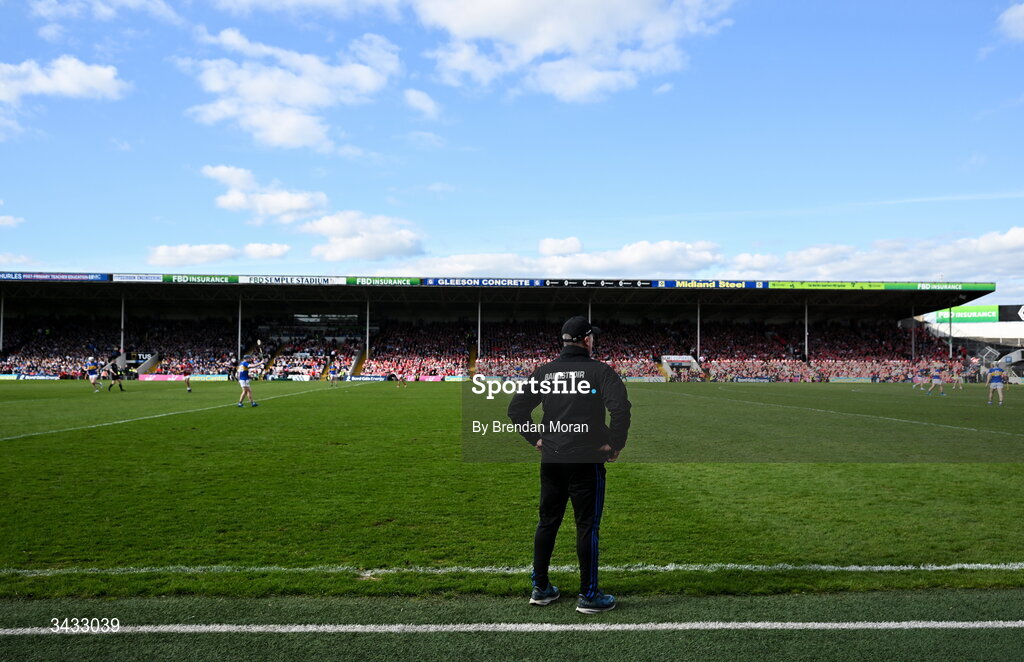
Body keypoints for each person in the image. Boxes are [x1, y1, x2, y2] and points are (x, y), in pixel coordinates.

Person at [508, 316, 631, 614]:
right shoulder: (600, 371)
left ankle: (540, 588)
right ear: (587, 339)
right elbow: (620, 409)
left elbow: (516, 409)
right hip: (586, 460)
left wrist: (536, 438)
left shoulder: (545, 372)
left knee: (547, 522)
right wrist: (615, 444)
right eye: (593, 338)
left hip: (552, 458)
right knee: (587, 525)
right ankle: (589, 595)